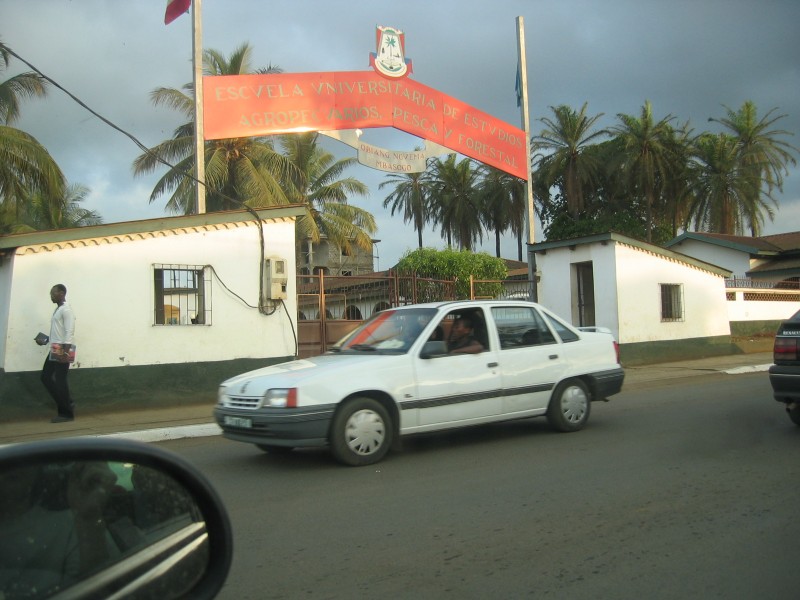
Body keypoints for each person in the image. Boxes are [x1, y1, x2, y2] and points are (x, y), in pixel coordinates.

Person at [37, 283, 76, 423]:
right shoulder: (58, 310)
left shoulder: (66, 310)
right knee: (46, 377)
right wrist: (47, 340)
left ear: (61, 293)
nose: (51, 296)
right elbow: (58, 332)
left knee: (60, 381)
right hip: (55, 347)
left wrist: (65, 353)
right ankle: (67, 401)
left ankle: (66, 414)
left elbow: (69, 331)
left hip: (63, 349)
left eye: (53, 293)